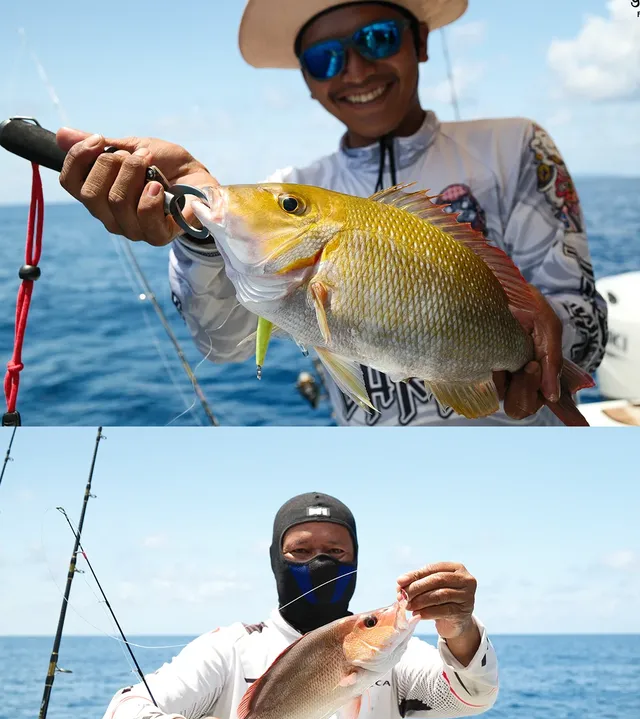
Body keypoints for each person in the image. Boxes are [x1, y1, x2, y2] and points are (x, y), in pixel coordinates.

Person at [56, 0, 607, 426]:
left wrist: (545, 345)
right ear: (305, 77)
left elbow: (582, 317)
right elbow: (223, 344)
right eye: (324, 58)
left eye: (377, 38)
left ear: (420, 41)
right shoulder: (289, 186)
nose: (355, 69)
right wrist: (200, 231)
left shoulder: (513, 147)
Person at [99, 492, 499, 719]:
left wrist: (458, 626)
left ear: (356, 560)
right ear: (276, 559)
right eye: (301, 550)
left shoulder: (397, 657)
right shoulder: (229, 647)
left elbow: (473, 694)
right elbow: (119, 715)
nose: (321, 562)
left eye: (336, 551)